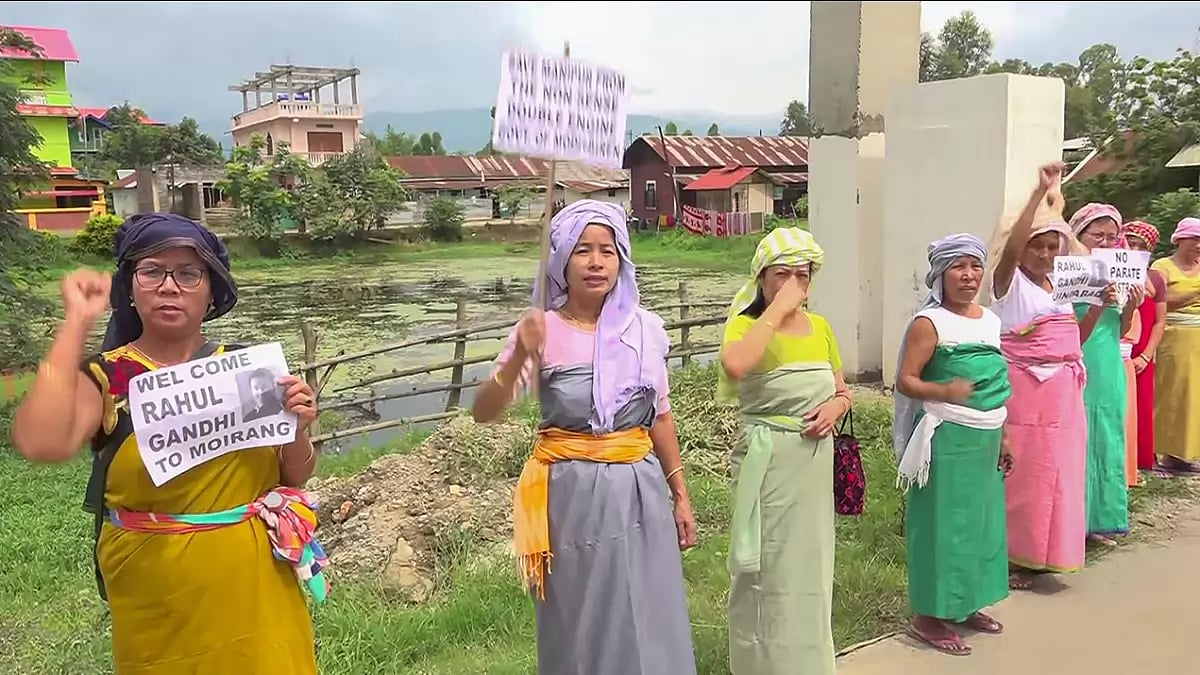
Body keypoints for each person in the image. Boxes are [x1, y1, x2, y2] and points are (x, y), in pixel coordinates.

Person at [9, 214, 323, 674]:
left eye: (188, 273)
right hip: (157, 594)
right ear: (130, 289)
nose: (169, 286)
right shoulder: (109, 377)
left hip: (255, 586)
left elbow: (295, 475)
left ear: (212, 290)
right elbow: (41, 441)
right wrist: (76, 323)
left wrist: (296, 424)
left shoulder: (247, 370)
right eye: (152, 271)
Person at [471, 200, 698, 675]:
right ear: (560, 260)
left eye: (607, 251)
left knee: (650, 613)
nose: (596, 262)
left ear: (622, 260)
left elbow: (659, 415)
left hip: (641, 492)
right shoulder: (541, 329)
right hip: (571, 501)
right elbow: (484, 413)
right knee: (585, 620)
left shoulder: (646, 330)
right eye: (582, 251)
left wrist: (680, 493)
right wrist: (519, 359)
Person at [719, 227, 849, 675]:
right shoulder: (746, 324)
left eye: (803, 275)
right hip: (768, 463)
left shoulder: (823, 328)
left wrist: (835, 407)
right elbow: (736, 366)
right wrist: (775, 310)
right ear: (762, 278)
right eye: (783, 275)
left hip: (813, 465)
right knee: (766, 570)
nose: (795, 284)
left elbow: (842, 390)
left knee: (809, 568)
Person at [893, 233, 1012, 656]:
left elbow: (997, 383)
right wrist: (944, 391)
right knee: (943, 527)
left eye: (975, 266)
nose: (968, 275)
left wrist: (1005, 435)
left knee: (980, 525)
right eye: (958, 267)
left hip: (987, 437)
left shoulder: (991, 320)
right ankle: (928, 614)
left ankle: (965, 603)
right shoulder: (930, 323)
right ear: (940, 274)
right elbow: (906, 379)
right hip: (947, 438)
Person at [990, 163, 1091, 589]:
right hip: (1025, 390)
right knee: (1024, 474)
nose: (1047, 255)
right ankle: (1013, 556)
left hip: (1064, 393)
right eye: (1038, 247)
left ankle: (1049, 554)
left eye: (1054, 247)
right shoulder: (1009, 284)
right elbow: (1011, 250)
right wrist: (1039, 193)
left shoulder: (1059, 287)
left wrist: (1101, 304)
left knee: (1059, 473)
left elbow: (1073, 340)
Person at [1070, 202, 1139, 545]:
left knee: (1108, 435)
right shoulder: (1067, 272)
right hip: (1081, 359)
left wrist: (1132, 305)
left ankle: (1102, 518)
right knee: (1079, 436)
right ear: (1079, 234)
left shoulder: (1121, 271)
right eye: (1098, 234)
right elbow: (1068, 328)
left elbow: (1123, 327)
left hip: (1110, 361)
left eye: (1113, 236)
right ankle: (1074, 518)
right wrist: (1098, 301)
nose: (1107, 241)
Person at [1120, 221, 1170, 477]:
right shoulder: (1112, 272)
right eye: (1130, 242)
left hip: (1144, 348)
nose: (1135, 248)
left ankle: (1141, 459)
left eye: (1141, 245)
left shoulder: (1156, 279)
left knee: (1143, 403)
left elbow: (1161, 320)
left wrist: (1147, 354)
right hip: (1120, 343)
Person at [1152, 217, 1200, 474]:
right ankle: (1167, 451)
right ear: (1180, 240)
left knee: (1195, 396)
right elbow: (1160, 301)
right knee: (1173, 393)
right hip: (1175, 334)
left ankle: (1188, 451)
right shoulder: (1163, 267)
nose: (1199, 246)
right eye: (1194, 240)